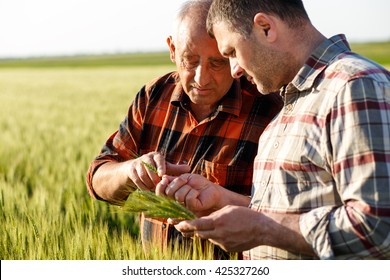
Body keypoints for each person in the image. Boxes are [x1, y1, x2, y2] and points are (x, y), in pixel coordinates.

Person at [158, 0, 390, 259]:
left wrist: (264, 230)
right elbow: (293, 213)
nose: (235, 70)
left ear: (265, 28)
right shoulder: (288, 105)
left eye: (232, 52)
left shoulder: (354, 87)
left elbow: (379, 228)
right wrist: (222, 200)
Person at [85, 0, 282, 259]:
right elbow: (97, 180)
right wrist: (130, 171)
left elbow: (283, 215)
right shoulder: (153, 96)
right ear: (172, 49)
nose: (201, 78)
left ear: (234, 57)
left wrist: (219, 201)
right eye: (190, 60)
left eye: (217, 63)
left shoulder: (268, 109)